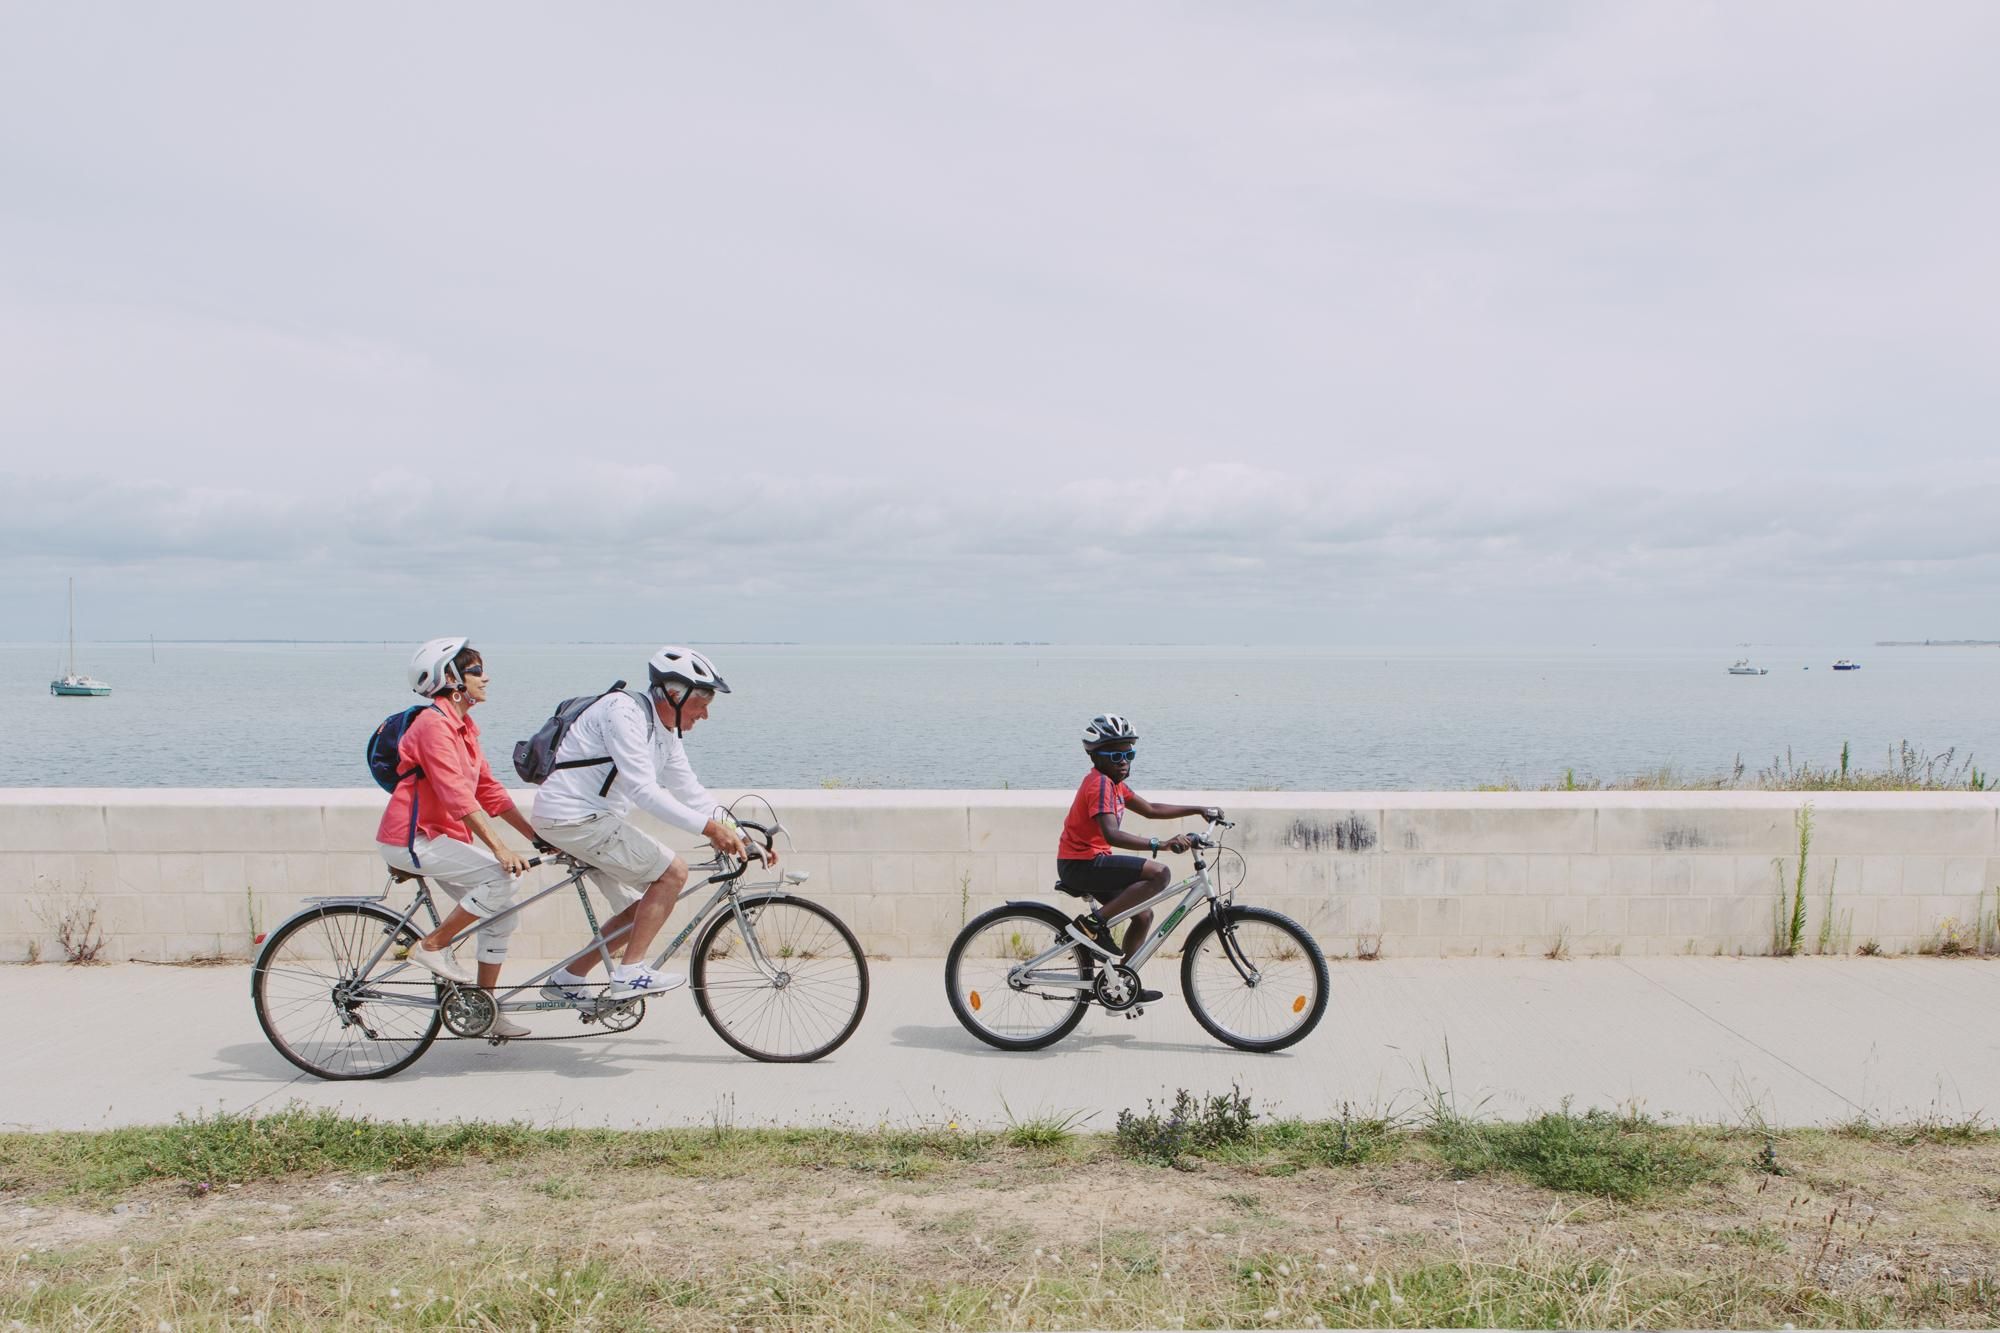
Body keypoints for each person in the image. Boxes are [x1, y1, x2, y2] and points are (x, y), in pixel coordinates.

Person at [531, 646, 758, 1004]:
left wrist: (740, 832)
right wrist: (711, 830)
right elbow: (644, 791)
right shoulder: (623, 711)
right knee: (671, 874)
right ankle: (629, 973)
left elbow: (690, 790)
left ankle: (567, 978)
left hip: (593, 819)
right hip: (574, 816)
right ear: (674, 694)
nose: (706, 714)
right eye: (703, 703)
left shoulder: (665, 730)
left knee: (644, 906)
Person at [378, 637, 540, 1038]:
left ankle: (485, 1011)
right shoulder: (432, 725)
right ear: (450, 678)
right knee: (502, 878)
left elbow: (489, 791)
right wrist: (500, 848)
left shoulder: (464, 727)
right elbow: (455, 794)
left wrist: (537, 837)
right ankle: (432, 946)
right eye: (476, 671)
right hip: (411, 838)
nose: (486, 678)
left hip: (439, 838)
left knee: (503, 914)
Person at [1058, 714, 1221, 1003]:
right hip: (1081, 864)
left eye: (1129, 753)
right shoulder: (1100, 785)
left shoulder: (1114, 784)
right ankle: (1092, 925)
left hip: (1091, 862)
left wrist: (1198, 809)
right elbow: (1112, 835)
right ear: (1095, 756)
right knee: (1160, 874)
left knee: (1143, 915)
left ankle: (1121, 985)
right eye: (1116, 755)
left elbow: (1151, 809)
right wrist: (1162, 844)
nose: (1124, 761)